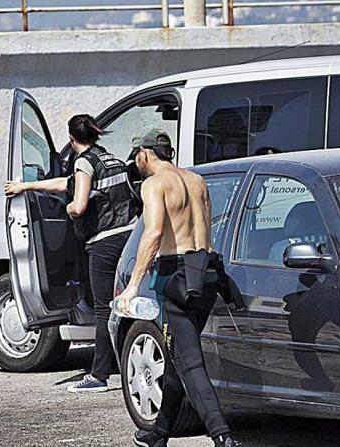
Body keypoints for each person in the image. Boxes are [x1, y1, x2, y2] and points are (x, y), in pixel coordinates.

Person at [114, 129, 241, 447]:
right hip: (206, 276)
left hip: (176, 281)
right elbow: (206, 232)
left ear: (145, 154)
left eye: (137, 158)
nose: (137, 164)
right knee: (177, 357)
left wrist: (132, 286)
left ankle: (222, 436)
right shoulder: (196, 180)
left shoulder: (153, 184)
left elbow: (154, 232)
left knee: (189, 362)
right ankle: (159, 434)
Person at [5, 114, 137, 393]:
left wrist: (65, 210)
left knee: (104, 308)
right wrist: (27, 186)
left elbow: (77, 204)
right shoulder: (107, 158)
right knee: (127, 302)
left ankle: (99, 375)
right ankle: (132, 363)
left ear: (71, 138)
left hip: (104, 242)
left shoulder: (84, 161)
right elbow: (67, 183)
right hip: (128, 235)